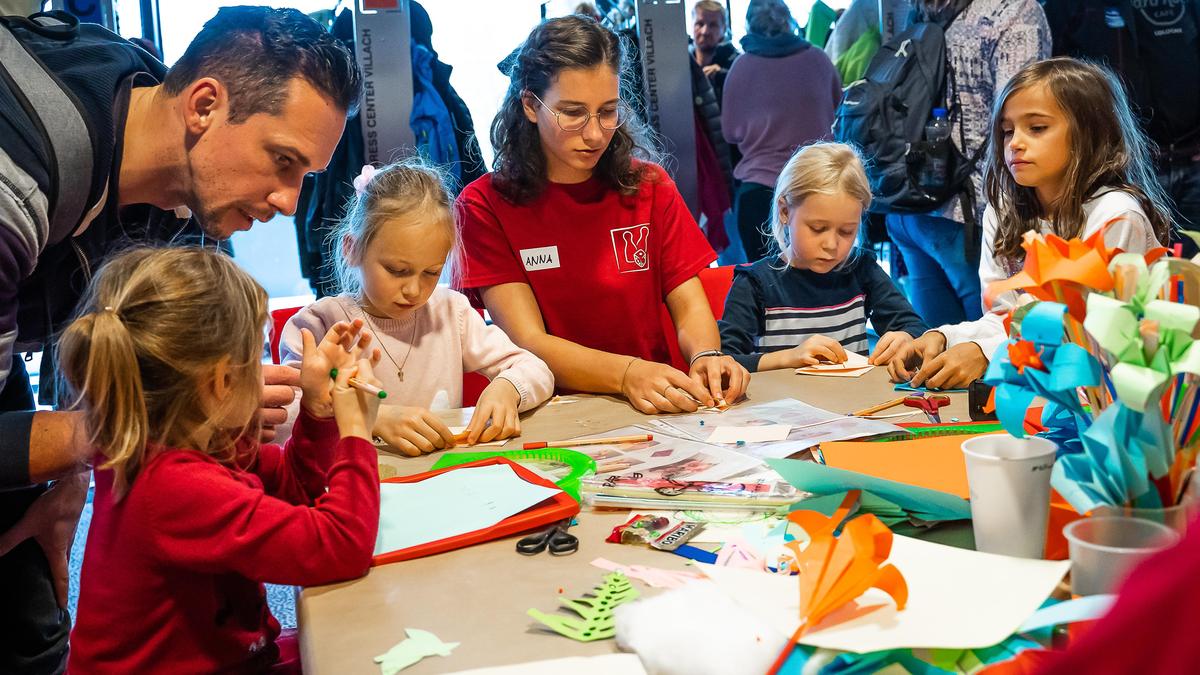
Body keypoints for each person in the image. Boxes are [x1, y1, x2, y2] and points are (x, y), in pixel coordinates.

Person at [0, 7, 359, 672]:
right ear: (203, 105)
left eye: (303, 176)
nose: (288, 201)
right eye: (281, 161)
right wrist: (142, 427)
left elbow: (108, 355)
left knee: (33, 604)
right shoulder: (11, 185)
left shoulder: (181, 208)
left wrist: (78, 466)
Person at [62, 247, 382, 673]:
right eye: (257, 360)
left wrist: (319, 413)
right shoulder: (175, 487)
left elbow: (294, 492)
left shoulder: (184, 436)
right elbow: (341, 547)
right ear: (221, 383)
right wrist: (356, 431)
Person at [457, 15, 749, 416]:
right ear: (529, 105)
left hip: (657, 405)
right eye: (572, 113)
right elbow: (528, 340)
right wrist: (627, 374)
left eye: (608, 111)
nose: (594, 134)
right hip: (553, 412)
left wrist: (706, 355)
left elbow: (689, 301)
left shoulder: (649, 185)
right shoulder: (485, 205)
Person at [887, 58, 1171, 389]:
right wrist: (946, 336)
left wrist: (990, 353)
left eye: (1036, 128)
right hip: (1042, 391)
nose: (1015, 143)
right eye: (1007, 131)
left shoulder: (1116, 216)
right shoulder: (1003, 211)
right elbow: (1009, 318)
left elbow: (1090, 339)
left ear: (1091, 133)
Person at [281, 161, 554, 456]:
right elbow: (282, 413)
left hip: (437, 479)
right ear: (351, 249)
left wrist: (508, 388)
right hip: (357, 485)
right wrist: (371, 418)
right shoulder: (319, 324)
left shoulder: (451, 313)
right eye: (397, 270)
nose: (414, 291)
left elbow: (537, 370)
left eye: (431, 272)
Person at [883, 0, 1049, 328]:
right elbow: (1020, 116)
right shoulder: (1015, 11)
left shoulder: (920, 11)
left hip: (909, 203)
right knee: (996, 349)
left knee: (939, 357)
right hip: (972, 214)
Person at [720, 143, 927, 372]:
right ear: (785, 211)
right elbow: (724, 362)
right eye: (818, 228)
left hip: (851, 405)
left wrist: (905, 337)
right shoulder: (754, 284)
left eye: (847, 231)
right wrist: (788, 358)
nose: (831, 245)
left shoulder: (861, 270)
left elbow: (914, 325)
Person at [1043, 0, 1200, 257]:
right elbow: (1049, 86)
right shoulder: (1066, 7)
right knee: (1131, 277)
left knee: (1192, 277)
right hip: (1120, 171)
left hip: (1191, 163)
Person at [722, 0, 842, 262]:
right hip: (816, 187)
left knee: (767, 290)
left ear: (749, 26)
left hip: (760, 193)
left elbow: (730, 131)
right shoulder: (819, 60)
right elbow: (838, 111)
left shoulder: (741, 67)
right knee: (818, 288)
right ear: (789, 23)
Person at [690, 0, 739, 106]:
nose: (705, 31)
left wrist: (724, 76)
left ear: (724, 29)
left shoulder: (737, 66)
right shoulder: (680, 64)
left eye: (713, 25)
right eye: (700, 24)